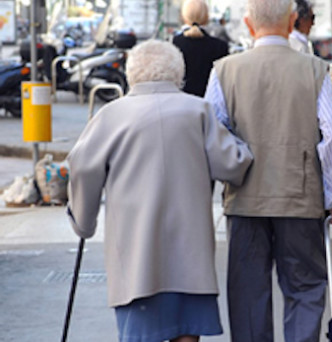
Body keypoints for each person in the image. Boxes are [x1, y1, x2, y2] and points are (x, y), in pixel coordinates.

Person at [66, 40, 253, 342]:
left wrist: (83, 222)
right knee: (187, 335)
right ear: (178, 74)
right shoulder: (199, 111)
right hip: (190, 259)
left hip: (137, 259)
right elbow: (232, 164)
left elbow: (82, 166)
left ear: (131, 74)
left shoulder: (111, 115)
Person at [203, 0, 332, 340]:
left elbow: (213, 134)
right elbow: (330, 138)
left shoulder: (224, 71)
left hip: (245, 199)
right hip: (300, 197)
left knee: (247, 292)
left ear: (248, 23)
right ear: (291, 23)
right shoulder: (315, 70)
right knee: (304, 287)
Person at [172, 0, 229, 97]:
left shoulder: (174, 44)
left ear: (184, 17)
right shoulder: (220, 46)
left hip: (180, 103)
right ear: (207, 17)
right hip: (209, 105)